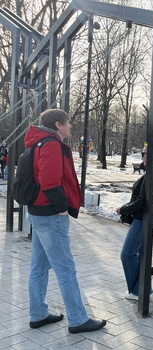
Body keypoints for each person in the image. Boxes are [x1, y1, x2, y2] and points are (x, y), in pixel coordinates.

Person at [26, 109, 107, 333]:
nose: (71, 126)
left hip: (38, 211)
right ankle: (78, 319)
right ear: (59, 124)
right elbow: (49, 181)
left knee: (39, 266)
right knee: (66, 268)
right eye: (69, 123)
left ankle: (38, 313)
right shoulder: (51, 144)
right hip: (51, 214)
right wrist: (62, 208)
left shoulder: (38, 142)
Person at [116, 143, 153, 300]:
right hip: (147, 216)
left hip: (143, 218)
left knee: (127, 254)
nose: (141, 156)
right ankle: (145, 289)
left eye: (143, 153)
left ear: (150, 155)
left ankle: (138, 291)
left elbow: (143, 202)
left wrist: (122, 209)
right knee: (141, 255)